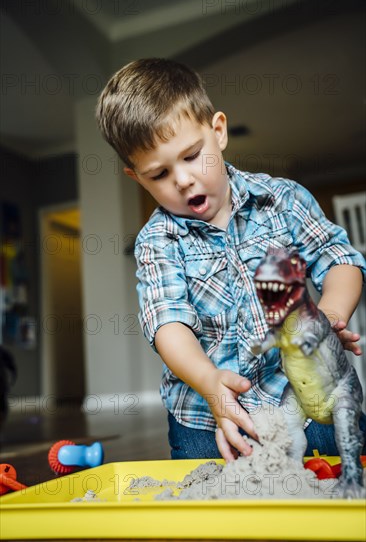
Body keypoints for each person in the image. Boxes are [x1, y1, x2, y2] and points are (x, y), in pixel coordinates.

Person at [96, 58, 366, 461]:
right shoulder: (157, 241)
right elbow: (168, 323)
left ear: (218, 131)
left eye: (191, 156)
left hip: (304, 401)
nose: (183, 179)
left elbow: (339, 258)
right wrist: (209, 382)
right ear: (137, 178)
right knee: (212, 511)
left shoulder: (282, 200)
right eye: (159, 175)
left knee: (340, 479)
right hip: (204, 415)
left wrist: (328, 315)